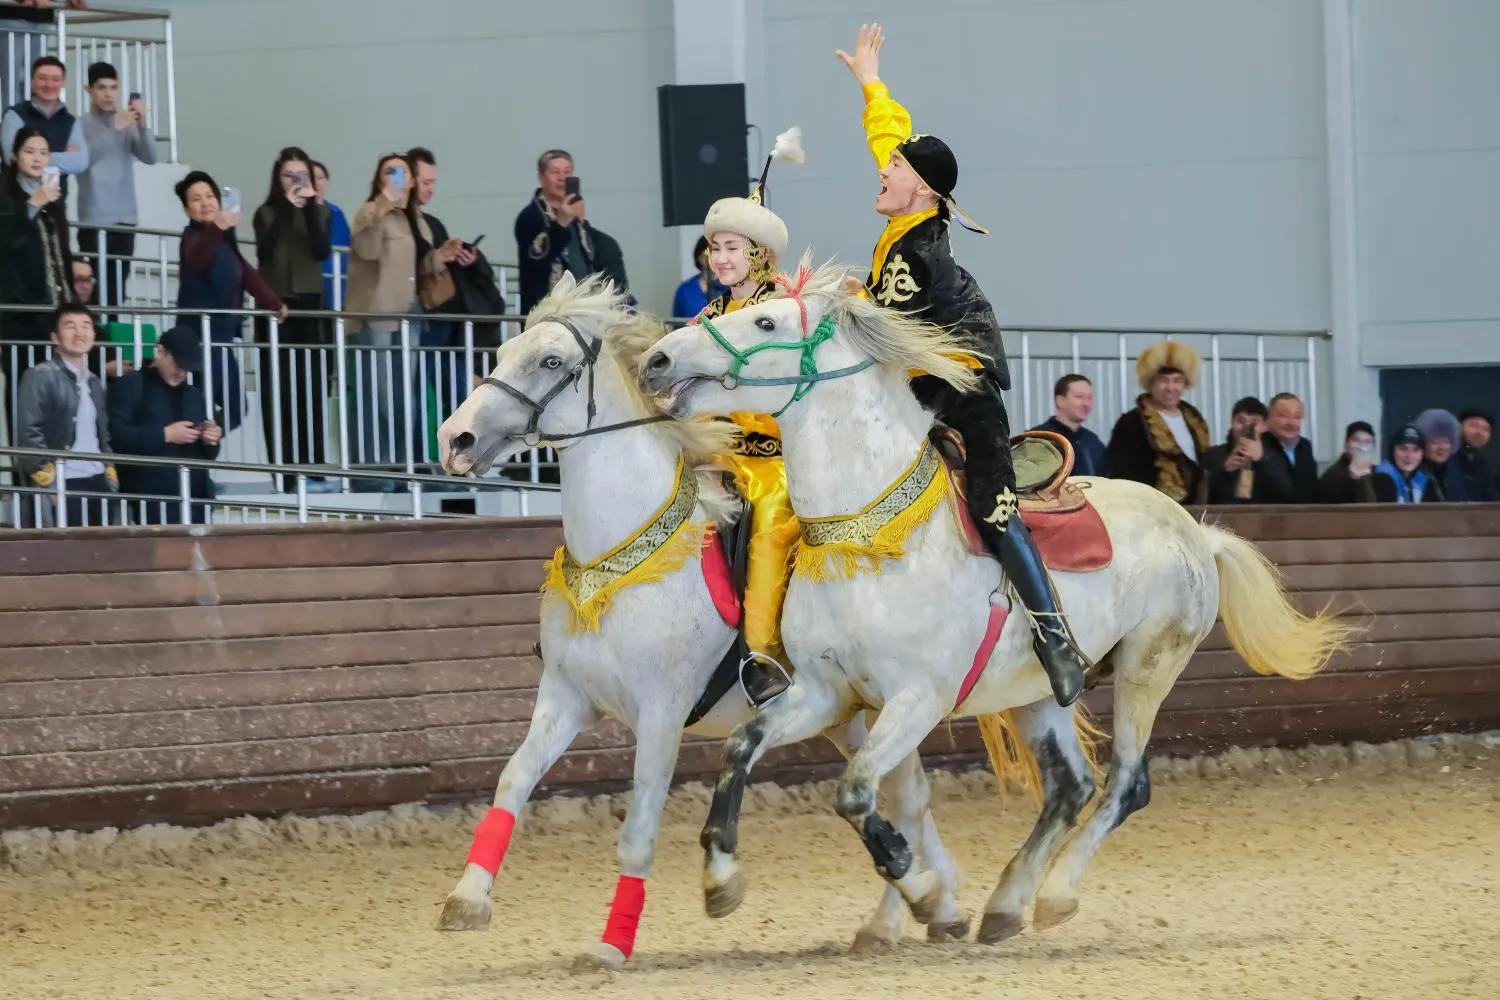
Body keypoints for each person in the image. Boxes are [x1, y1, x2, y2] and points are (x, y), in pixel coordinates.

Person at [838, 22, 1084, 706]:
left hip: (960, 392)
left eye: (895, 169)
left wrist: (836, 298)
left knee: (995, 507)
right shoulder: (906, 211)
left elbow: (880, 335)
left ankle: (1055, 638)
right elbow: (889, 138)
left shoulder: (921, 258)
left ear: (918, 190)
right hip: (914, 391)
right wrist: (869, 82)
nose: (883, 168)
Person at [691, 127, 804, 705]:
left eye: (734, 247)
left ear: (758, 253)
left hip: (773, 461)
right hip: (715, 454)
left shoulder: (781, 309)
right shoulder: (710, 311)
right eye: (717, 248)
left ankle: (763, 654)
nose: (722, 257)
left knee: (770, 520)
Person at [345, 152, 456, 490]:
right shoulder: (370, 211)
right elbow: (365, 249)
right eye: (388, 173)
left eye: (402, 173)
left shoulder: (415, 219)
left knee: (402, 396)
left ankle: (405, 467)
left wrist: (440, 257)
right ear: (379, 179)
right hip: (375, 316)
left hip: (409, 315)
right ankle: (382, 471)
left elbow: (414, 267)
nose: (397, 179)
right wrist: (381, 204)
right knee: (379, 395)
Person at [175, 169, 287, 436]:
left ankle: (203, 442)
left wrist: (272, 302)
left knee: (232, 408)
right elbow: (197, 260)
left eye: (210, 196)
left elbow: (244, 270)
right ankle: (194, 458)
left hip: (222, 334)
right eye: (196, 199)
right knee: (209, 405)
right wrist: (218, 227)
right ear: (187, 208)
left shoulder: (223, 237)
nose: (205, 203)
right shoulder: (192, 237)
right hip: (201, 336)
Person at [253, 146, 332, 487]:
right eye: (291, 176)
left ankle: (313, 464)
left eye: (303, 175)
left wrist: (310, 206)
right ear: (278, 177)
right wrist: (288, 204)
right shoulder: (267, 212)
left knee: (311, 386)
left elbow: (321, 249)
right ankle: (283, 469)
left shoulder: (322, 212)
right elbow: (265, 250)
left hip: (310, 305)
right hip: (275, 306)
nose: (298, 182)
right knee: (278, 388)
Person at [105, 324, 222, 523]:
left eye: (187, 368)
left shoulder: (193, 394)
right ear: (159, 352)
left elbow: (206, 455)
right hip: (149, 499)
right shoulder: (129, 386)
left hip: (196, 498)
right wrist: (165, 434)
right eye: (178, 365)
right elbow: (115, 437)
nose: (182, 373)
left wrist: (211, 439)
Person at [14, 304, 117, 527]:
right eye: (70, 326)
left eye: (86, 325)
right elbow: (28, 432)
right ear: (55, 337)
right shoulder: (40, 376)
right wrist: (48, 480)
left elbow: (103, 435)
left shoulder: (95, 382)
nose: (79, 332)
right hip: (63, 480)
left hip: (97, 480)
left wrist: (109, 472)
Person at [76, 61, 155, 318]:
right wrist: (114, 129)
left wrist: (142, 124)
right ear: (89, 90)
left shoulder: (127, 122)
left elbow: (151, 157)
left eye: (113, 87)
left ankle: (111, 353)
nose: (108, 93)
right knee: (94, 291)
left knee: (117, 291)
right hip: (94, 219)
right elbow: (83, 160)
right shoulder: (80, 124)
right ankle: (94, 347)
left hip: (126, 219)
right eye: (101, 87)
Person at [0, 126, 73, 401]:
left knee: (56, 389)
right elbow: (7, 242)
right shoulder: (6, 197)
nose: (37, 158)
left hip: (56, 308)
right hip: (21, 312)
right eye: (29, 151)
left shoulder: (53, 197)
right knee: (22, 386)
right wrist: (32, 205)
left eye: (43, 153)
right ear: (16, 155)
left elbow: (62, 250)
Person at [1106, 340, 1212, 505]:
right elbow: (1120, 476)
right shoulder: (1131, 423)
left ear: (1185, 384)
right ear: (1150, 383)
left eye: (1177, 380)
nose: (1171, 387)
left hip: (1194, 512)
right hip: (1150, 511)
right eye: (1163, 380)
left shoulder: (1195, 421)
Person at [0, 56, 87, 198]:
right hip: (15, 203)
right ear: (32, 82)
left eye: (55, 79)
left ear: (62, 83)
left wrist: (30, 155)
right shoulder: (14, 115)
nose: (49, 84)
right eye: (42, 78)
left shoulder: (71, 121)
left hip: (55, 203)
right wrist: (63, 156)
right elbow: (12, 156)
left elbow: (80, 162)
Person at [1032, 373, 1108, 477]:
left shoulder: (1093, 442)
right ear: (1060, 401)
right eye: (1079, 397)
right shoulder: (1037, 440)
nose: (1086, 404)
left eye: (1089, 398)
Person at [1202, 397, 1269, 504]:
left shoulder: (1275, 456)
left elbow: (1285, 492)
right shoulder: (1213, 455)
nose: (1246, 428)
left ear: (1265, 426)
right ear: (1232, 422)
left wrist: (1262, 459)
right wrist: (1225, 470)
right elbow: (1203, 494)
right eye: (1240, 421)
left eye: (1254, 422)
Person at [1258, 392, 1318, 503]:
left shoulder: (1305, 446)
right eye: (1283, 416)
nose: (1291, 423)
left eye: (1297, 417)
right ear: (1268, 419)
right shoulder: (1259, 447)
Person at [310, 160, 350, 310]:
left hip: (337, 285)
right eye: (312, 178)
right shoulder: (298, 215)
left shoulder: (336, 213)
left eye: (320, 178)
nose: (316, 183)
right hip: (311, 285)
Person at [1412, 408, 1470, 502]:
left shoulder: (1455, 473)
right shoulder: (1413, 473)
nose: (1441, 447)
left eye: (1446, 442)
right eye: (1434, 442)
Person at [1317, 421, 1379, 504]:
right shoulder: (1331, 477)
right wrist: (1354, 476)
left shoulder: (1381, 477)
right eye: (1356, 441)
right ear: (1346, 444)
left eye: (1367, 442)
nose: (1362, 447)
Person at [1372, 425, 1436, 503]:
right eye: (1403, 449)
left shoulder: (1427, 482)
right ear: (1392, 450)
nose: (1409, 456)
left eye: (1415, 450)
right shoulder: (1379, 479)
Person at [671, 235, 725, 322]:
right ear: (699, 256)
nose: (711, 258)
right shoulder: (685, 289)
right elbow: (676, 323)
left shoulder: (730, 287)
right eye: (707, 253)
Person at [1454, 409, 1498, 502]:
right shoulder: (1446, 459)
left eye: (1485, 429)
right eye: (1474, 426)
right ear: (1458, 427)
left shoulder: (1483, 466)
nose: (1479, 432)